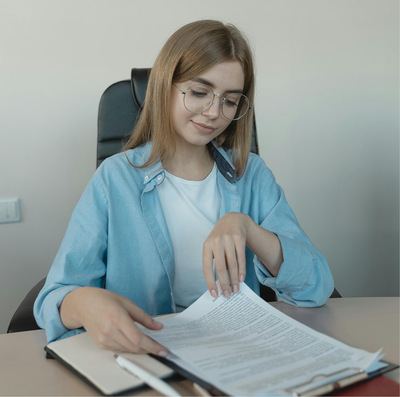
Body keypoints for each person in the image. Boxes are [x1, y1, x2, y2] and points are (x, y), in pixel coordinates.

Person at [34, 20, 334, 357]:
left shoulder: (252, 175)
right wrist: (84, 302)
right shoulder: (114, 179)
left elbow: (316, 286)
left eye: (230, 101)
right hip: (145, 356)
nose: (213, 113)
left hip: (238, 354)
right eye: (199, 92)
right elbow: (53, 299)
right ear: (165, 86)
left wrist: (246, 227)